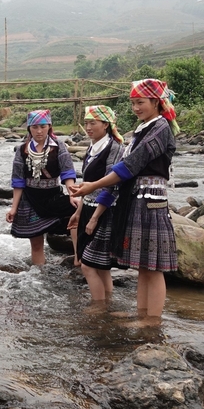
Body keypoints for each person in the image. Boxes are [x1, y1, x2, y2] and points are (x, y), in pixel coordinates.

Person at [69, 79, 179, 324]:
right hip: (137, 200)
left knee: (154, 267)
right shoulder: (145, 128)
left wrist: (94, 185)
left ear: (156, 102)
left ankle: (153, 320)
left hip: (151, 202)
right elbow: (126, 171)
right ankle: (141, 313)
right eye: (132, 103)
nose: (136, 108)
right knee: (144, 265)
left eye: (140, 102)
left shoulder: (160, 128)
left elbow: (130, 166)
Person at [67, 105, 124, 303]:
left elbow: (111, 186)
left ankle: (98, 308)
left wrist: (94, 218)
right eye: (86, 123)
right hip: (89, 208)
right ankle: (107, 303)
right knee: (101, 266)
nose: (88, 127)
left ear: (106, 124)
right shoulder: (92, 147)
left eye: (93, 123)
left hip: (105, 211)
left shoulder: (114, 148)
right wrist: (78, 213)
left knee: (88, 264)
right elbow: (86, 188)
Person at [6, 110, 78, 266]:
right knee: (37, 244)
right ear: (29, 129)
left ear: (49, 127)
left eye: (43, 127)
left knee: (78, 212)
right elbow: (18, 181)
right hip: (30, 199)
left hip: (53, 196)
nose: (39, 131)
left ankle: (79, 258)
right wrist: (14, 208)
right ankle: (39, 275)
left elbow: (67, 172)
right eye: (35, 127)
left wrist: (72, 194)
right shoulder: (22, 150)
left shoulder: (58, 146)